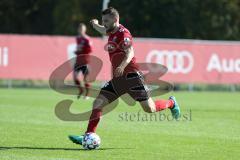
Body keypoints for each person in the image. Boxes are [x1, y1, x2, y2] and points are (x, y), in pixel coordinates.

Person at [69, 7, 180, 145]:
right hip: (118, 79)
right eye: (103, 21)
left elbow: (130, 53)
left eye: (106, 21)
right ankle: (88, 135)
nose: (104, 24)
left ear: (116, 20)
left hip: (132, 77)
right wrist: (95, 24)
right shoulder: (110, 31)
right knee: (98, 102)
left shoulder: (124, 34)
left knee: (149, 109)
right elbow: (103, 30)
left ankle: (171, 103)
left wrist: (121, 66)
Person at [73, 23, 92, 99]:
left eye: (82, 29)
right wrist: (77, 51)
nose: (80, 31)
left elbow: (90, 50)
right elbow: (78, 49)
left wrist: (82, 49)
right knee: (75, 78)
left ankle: (87, 94)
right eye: (79, 29)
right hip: (78, 61)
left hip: (85, 61)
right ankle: (81, 90)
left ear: (84, 30)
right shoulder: (78, 38)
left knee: (85, 79)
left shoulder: (87, 39)